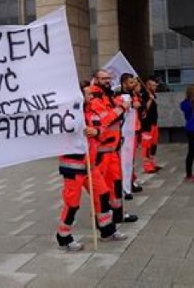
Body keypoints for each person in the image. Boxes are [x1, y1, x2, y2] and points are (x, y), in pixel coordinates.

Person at [55, 83, 127, 251]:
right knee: (72, 203)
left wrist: (97, 132)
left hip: (90, 164)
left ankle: (107, 230)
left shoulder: (91, 111)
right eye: (88, 94)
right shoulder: (66, 114)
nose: (91, 97)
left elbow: (102, 128)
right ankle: (63, 237)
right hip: (73, 166)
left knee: (102, 194)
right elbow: (61, 136)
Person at [88, 70, 137, 224]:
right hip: (102, 150)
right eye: (104, 78)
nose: (107, 80)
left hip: (113, 148)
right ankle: (101, 219)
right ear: (95, 79)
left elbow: (114, 112)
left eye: (109, 78)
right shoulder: (94, 97)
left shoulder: (107, 95)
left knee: (116, 184)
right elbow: (105, 118)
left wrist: (122, 106)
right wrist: (122, 108)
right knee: (101, 187)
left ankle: (117, 215)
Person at [139, 76, 161, 173]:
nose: (155, 87)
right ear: (148, 85)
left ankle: (152, 163)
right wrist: (150, 100)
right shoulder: (144, 95)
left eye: (156, 85)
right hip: (146, 125)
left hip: (153, 123)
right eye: (153, 85)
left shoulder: (152, 94)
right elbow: (143, 110)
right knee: (146, 146)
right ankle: (147, 166)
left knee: (153, 145)